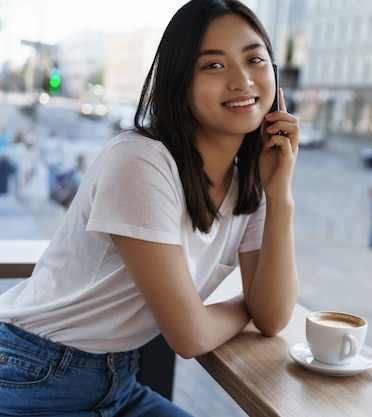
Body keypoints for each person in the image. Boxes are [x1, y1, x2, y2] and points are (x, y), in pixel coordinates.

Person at [0, 1, 300, 415]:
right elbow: (190, 335)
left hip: (117, 382)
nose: (243, 79)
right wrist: (246, 305)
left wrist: (281, 195)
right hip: (33, 374)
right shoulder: (141, 161)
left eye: (255, 59)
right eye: (213, 66)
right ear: (180, 81)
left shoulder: (252, 182)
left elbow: (273, 315)